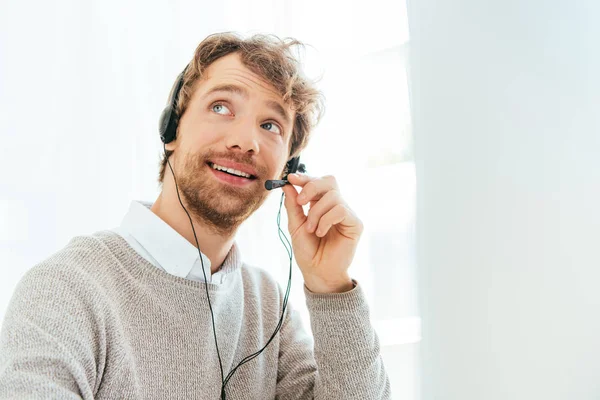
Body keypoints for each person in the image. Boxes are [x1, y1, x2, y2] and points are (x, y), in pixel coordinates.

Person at [0, 32, 391, 399]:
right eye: (221, 107)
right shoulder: (66, 290)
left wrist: (330, 286)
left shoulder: (268, 305)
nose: (245, 141)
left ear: (288, 169)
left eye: (270, 125)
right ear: (171, 129)